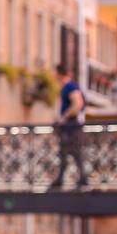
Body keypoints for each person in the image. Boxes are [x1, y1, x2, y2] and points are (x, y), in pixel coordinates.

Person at [50, 62, 87, 191]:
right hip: (70, 125)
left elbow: (78, 103)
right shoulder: (68, 86)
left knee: (72, 151)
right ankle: (64, 178)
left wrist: (64, 117)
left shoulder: (70, 86)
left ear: (59, 73)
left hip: (71, 125)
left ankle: (81, 178)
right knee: (66, 152)